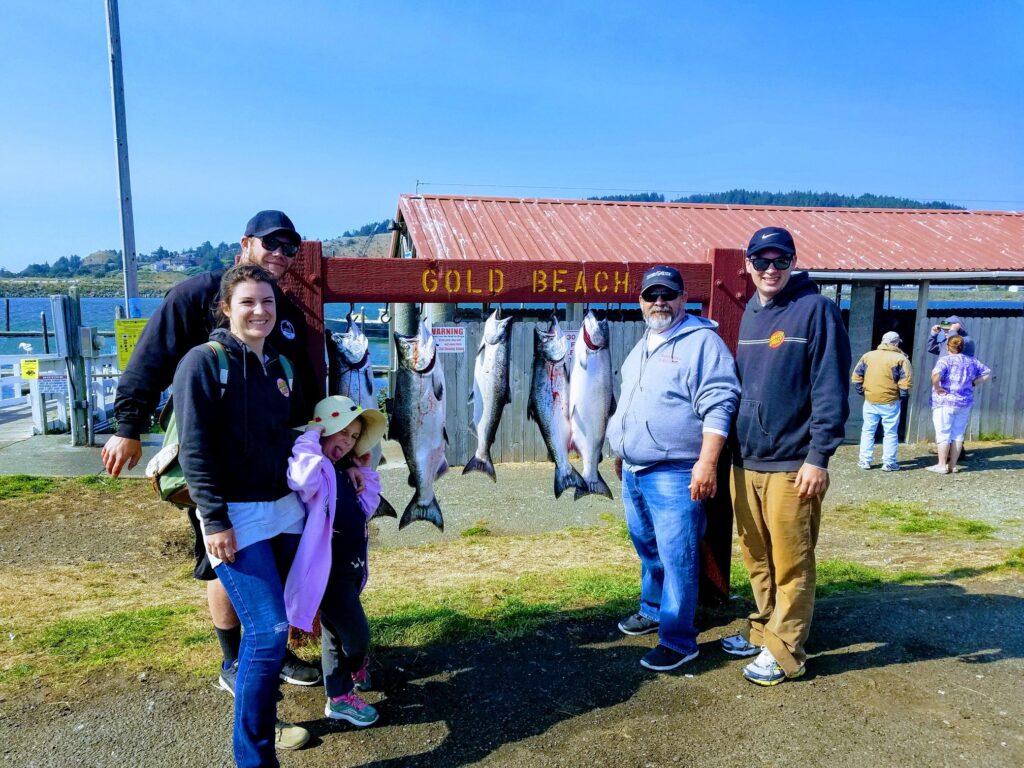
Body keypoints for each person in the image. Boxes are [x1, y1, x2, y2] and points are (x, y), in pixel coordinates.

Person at [101, 211, 321, 714]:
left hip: (272, 474)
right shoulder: (195, 294)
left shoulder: (280, 307)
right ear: (245, 243)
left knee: (265, 572)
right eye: (272, 244)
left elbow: (299, 384)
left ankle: (270, 650)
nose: (282, 255)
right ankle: (233, 663)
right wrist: (127, 426)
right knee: (220, 562)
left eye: (290, 248)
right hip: (213, 470)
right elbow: (150, 359)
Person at [174, 264, 309, 766]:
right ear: (226, 308)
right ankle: (254, 757)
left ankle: (282, 704)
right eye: (248, 302)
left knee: (294, 618)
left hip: (284, 511)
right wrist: (214, 521)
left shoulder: (281, 367)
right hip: (237, 515)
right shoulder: (203, 363)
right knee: (268, 631)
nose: (260, 311)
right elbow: (195, 450)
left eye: (268, 303)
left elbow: (290, 438)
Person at [721, 226, 851, 686]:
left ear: (794, 261)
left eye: (781, 260)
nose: (771, 269)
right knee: (757, 556)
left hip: (794, 464)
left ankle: (788, 648)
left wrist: (819, 457)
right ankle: (768, 629)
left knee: (792, 560)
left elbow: (830, 389)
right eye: (762, 261)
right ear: (748, 263)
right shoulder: (752, 313)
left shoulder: (816, 311)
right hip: (746, 461)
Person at [607, 265, 740, 671]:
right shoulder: (643, 343)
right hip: (634, 468)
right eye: (652, 295)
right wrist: (621, 447)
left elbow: (721, 401)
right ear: (641, 302)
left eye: (668, 294)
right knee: (648, 546)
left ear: (684, 299)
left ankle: (679, 640)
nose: (659, 302)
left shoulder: (703, 342)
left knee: (678, 554)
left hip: (677, 470)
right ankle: (652, 608)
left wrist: (707, 462)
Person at [285, 395, 389, 726]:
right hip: (328, 576)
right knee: (356, 637)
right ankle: (351, 673)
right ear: (323, 430)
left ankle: (340, 694)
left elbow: (365, 508)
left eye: (355, 437)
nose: (347, 442)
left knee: (335, 636)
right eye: (342, 432)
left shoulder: (341, 471)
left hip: (351, 571)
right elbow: (301, 478)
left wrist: (362, 471)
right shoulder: (315, 468)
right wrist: (312, 437)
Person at [928, 335, 991, 474]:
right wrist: (973, 382)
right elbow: (987, 372)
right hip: (964, 402)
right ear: (962, 347)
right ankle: (953, 465)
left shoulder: (945, 360)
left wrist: (937, 388)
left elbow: (936, 375)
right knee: (957, 434)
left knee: (943, 433)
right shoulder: (971, 361)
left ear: (947, 346)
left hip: (944, 402)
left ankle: (941, 465)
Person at [851, 331, 913, 471]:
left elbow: (856, 376)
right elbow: (905, 381)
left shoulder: (868, 356)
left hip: (870, 399)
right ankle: (889, 463)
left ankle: (864, 461)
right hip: (890, 401)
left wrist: (863, 392)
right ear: (896, 343)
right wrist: (903, 396)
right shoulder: (901, 359)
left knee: (867, 430)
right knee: (890, 432)